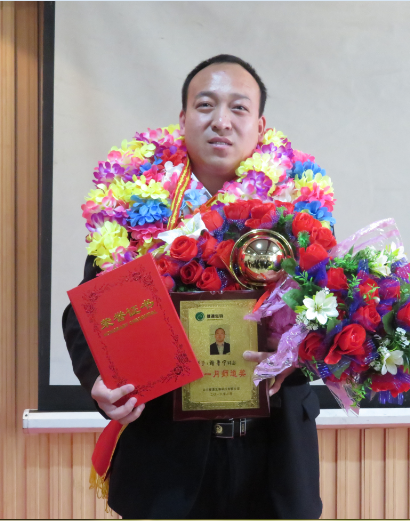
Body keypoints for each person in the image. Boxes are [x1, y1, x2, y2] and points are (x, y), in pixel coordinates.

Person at [63, 54, 322, 519]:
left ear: (260, 126)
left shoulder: (298, 209)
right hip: (165, 460)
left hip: (274, 457)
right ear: (183, 119)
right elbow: (87, 311)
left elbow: (326, 314)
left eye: (238, 108)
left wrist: (296, 354)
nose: (221, 121)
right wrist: (98, 380)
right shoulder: (136, 206)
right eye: (206, 105)